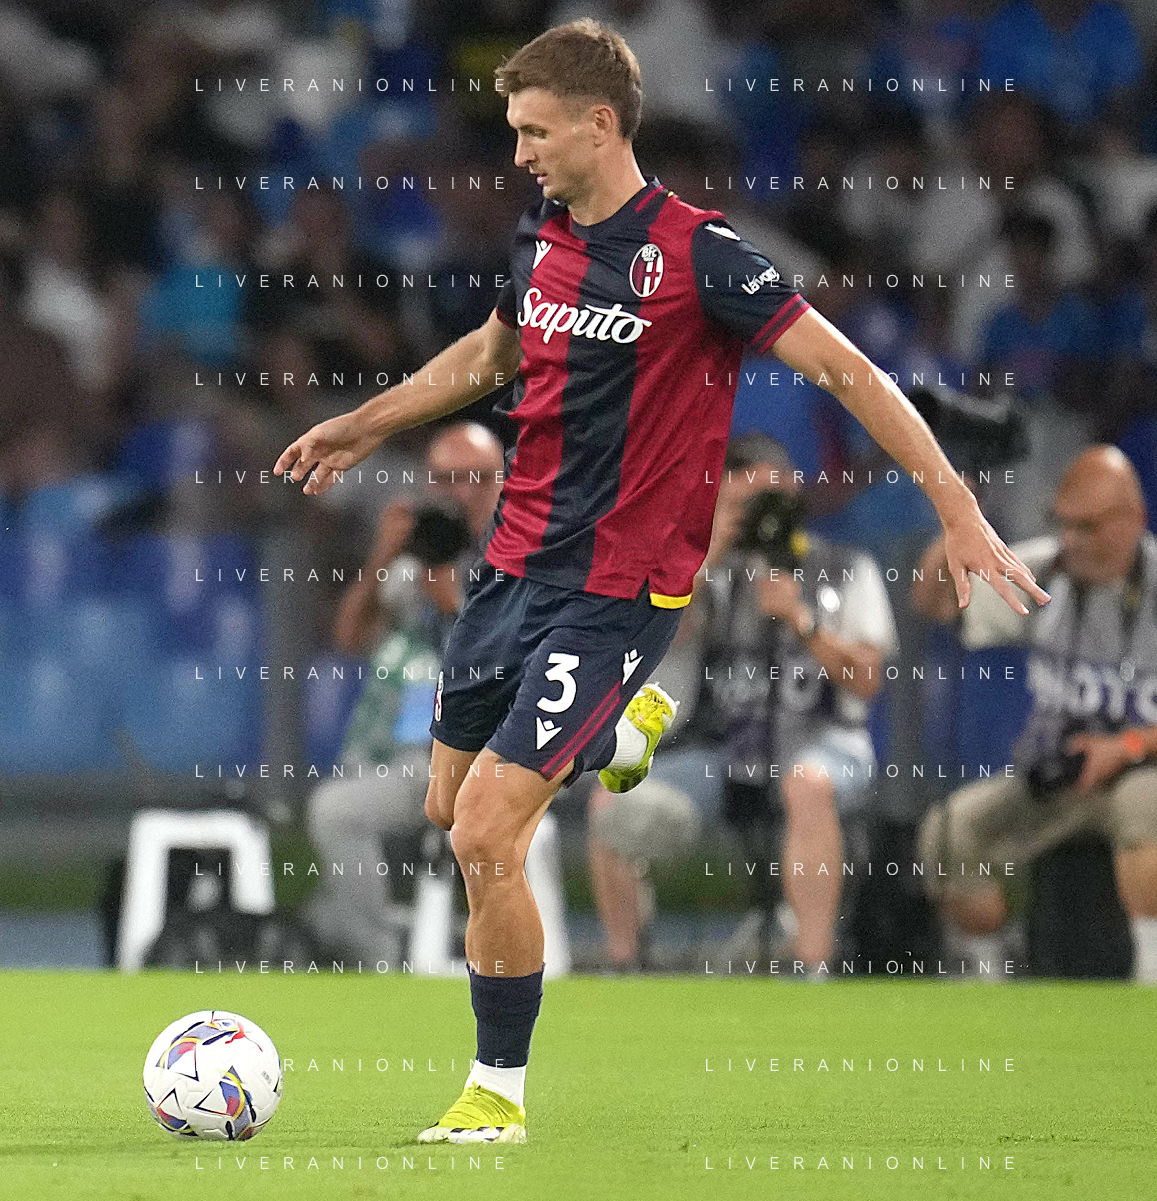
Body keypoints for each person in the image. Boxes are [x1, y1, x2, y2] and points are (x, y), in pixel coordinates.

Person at [275, 19, 1048, 1145]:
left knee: (486, 830)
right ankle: (617, 732)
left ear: (599, 124)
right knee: (447, 808)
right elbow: (489, 357)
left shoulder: (702, 256)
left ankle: (496, 1092)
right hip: (509, 572)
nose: (519, 154)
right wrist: (363, 423)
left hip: (619, 588)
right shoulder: (542, 236)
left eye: (535, 132)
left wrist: (956, 505)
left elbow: (846, 371)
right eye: (513, 131)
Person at [589, 434, 898, 974]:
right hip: (723, 751)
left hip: (824, 741)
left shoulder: (846, 567)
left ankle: (811, 965)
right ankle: (626, 962)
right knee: (611, 794)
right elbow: (659, 639)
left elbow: (867, 681)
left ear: (795, 494)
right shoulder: (705, 573)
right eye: (740, 503)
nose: (759, 517)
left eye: (768, 501)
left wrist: (802, 621)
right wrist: (707, 552)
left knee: (807, 784)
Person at [913, 446, 1157, 984]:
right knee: (949, 834)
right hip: (1056, 774)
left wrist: (1127, 747)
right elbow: (934, 604)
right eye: (1062, 523)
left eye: (1087, 527)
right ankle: (994, 973)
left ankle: (1149, 974)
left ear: (1133, 520)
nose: (1071, 540)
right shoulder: (1043, 569)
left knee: (1144, 805)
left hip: (1142, 769)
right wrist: (953, 521)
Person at [303, 423, 504, 962]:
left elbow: (511, 666)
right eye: (442, 478)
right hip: (384, 751)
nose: (455, 492)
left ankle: (379, 962)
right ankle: (352, 936)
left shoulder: (516, 560)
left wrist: (451, 604)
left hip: (462, 756)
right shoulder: (418, 558)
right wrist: (382, 557)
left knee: (335, 812)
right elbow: (349, 639)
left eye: (471, 478)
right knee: (327, 892)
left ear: (499, 483)